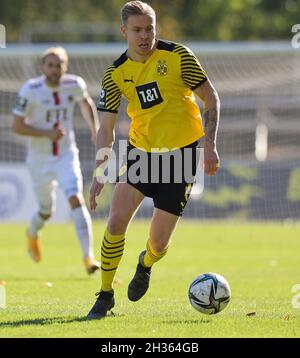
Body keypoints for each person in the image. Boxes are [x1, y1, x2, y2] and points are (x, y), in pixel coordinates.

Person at [86, 0, 220, 319]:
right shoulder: (115, 74)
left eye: (150, 28)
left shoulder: (179, 57)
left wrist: (210, 144)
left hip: (180, 158)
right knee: (116, 221)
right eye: (137, 30)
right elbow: (105, 128)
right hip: (141, 154)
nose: (145, 36)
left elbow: (210, 97)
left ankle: (144, 264)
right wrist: (100, 171)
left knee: (159, 245)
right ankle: (105, 295)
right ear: (124, 31)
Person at [12, 46, 100, 274]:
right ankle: (32, 232)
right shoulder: (30, 89)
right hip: (39, 160)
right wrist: (46, 134)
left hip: (66, 155)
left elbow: (86, 103)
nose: (54, 69)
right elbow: (17, 126)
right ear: (43, 67)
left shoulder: (74, 84)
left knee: (75, 198)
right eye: (50, 65)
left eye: (59, 64)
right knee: (46, 211)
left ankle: (88, 257)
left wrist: (95, 130)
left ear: (65, 65)